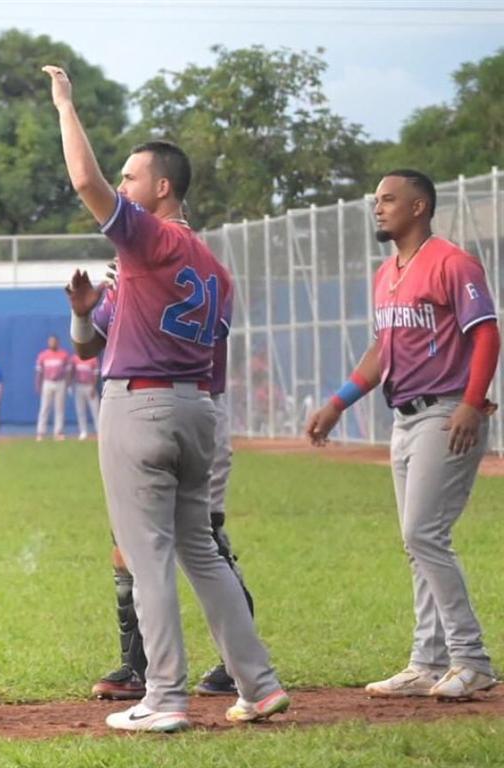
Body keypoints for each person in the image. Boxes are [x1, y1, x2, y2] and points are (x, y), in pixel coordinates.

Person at [43, 64, 288, 733]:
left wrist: (66, 105)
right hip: (198, 407)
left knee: (145, 555)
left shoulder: (152, 237)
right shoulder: (212, 265)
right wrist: (86, 314)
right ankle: (260, 686)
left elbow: (85, 182)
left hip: (141, 403)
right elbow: (205, 363)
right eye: (124, 176)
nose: (123, 185)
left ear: (163, 187)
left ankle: (166, 696)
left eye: (133, 176)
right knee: (201, 554)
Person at [306, 169, 500, 700]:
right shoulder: (386, 272)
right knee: (417, 544)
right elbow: (381, 353)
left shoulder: (452, 262)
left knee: (423, 534)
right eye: (376, 200)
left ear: (419, 207)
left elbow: (486, 334)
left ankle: (471, 658)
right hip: (405, 417)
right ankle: (426, 661)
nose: (379, 207)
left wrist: (469, 402)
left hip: (446, 414)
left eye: (390, 200)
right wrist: (336, 403)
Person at [70, 273, 260, 701]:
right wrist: (84, 313)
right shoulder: (129, 277)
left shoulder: (188, 272)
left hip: (191, 407)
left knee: (203, 542)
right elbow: (87, 347)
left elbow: (210, 357)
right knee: (125, 548)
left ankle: (239, 666)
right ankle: (136, 667)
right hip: (142, 417)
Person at [35, 335, 71, 440]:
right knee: (44, 408)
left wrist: (67, 384)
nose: (53, 343)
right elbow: (39, 372)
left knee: (59, 408)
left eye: (54, 341)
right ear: (48, 343)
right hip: (47, 382)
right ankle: (41, 432)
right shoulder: (43, 355)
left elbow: (68, 371)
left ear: (58, 343)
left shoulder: (64, 355)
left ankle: (58, 432)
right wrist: (38, 384)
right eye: (51, 342)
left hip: (60, 382)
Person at [69, 352, 100, 440]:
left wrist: (94, 387)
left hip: (90, 386)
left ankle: (98, 431)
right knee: (80, 410)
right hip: (79, 386)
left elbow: (96, 374)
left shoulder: (93, 359)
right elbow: (71, 372)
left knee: (95, 410)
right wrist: (70, 385)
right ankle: (83, 431)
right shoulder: (75, 358)